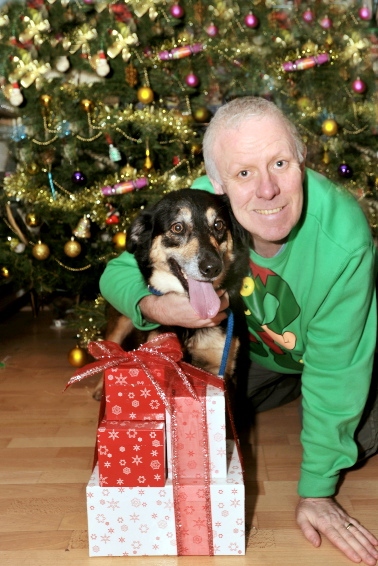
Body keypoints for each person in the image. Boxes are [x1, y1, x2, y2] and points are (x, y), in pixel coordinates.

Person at [100, 96, 378, 564]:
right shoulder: (204, 205)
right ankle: (291, 392)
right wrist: (157, 307)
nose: (267, 189)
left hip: (342, 356)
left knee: (354, 435)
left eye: (280, 163)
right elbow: (118, 272)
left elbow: (339, 369)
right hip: (260, 355)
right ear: (217, 183)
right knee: (206, 406)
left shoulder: (343, 241)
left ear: (302, 158)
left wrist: (316, 492)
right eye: (244, 173)